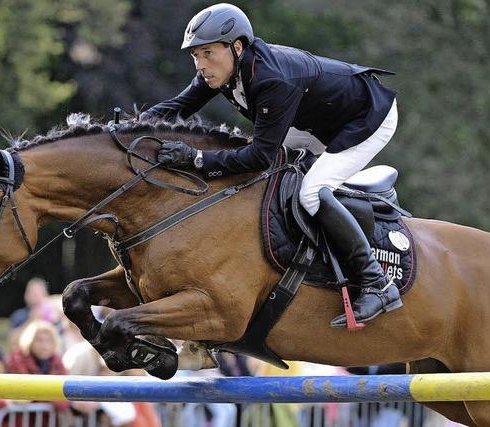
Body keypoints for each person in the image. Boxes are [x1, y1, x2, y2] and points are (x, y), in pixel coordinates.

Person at [143, 3, 401, 327]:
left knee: (311, 193)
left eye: (207, 53)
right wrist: (125, 130)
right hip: (316, 119)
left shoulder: (271, 80)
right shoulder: (223, 70)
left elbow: (259, 157)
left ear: (236, 47)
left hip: (364, 117)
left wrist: (196, 159)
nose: (201, 64)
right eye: (195, 55)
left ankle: (376, 283)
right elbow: (176, 107)